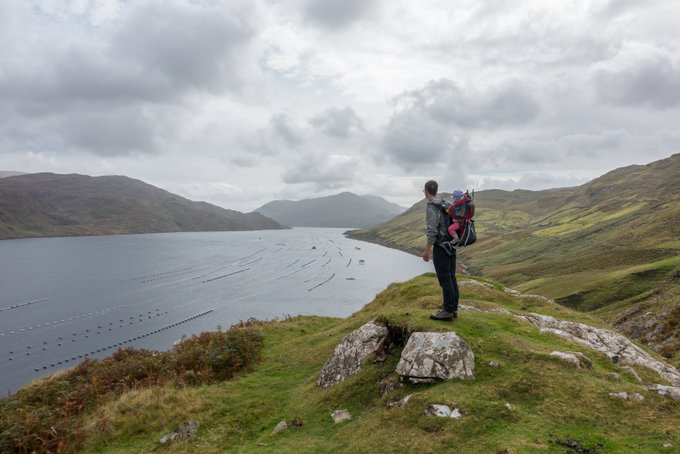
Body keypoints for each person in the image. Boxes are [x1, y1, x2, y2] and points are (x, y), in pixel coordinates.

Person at [422, 180, 459, 321]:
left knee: (444, 279)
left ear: (426, 191)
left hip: (441, 247)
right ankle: (453, 308)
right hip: (451, 245)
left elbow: (432, 230)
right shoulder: (446, 204)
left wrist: (427, 251)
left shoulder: (432, 206)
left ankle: (447, 310)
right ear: (436, 191)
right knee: (451, 277)